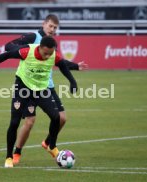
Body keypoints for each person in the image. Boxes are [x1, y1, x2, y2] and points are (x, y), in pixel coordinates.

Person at [0, 36, 78, 168]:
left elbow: (63, 66)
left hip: (41, 89)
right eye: (45, 53)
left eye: (50, 53)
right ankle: (9, 157)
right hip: (23, 88)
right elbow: (5, 55)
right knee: (14, 122)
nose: (48, 56)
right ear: (40, 47)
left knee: (56, 117)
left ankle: (51, 146)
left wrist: (73, 81)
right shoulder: (26, 51)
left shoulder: (54, 55)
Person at [5, 14, 88, 164]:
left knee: (62, 118)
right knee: (30, 121)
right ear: (44, 24)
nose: (52, 29)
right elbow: (8, 46)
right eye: (50, 26)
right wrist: (24, 50)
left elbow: (59, 61)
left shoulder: (50, 43)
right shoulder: (32, 37)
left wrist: (76, 66)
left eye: (55, 28)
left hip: (46, 87)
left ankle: (48, 144)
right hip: (28, 86)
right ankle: (17, 153)